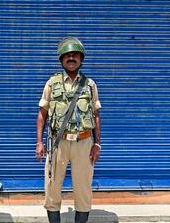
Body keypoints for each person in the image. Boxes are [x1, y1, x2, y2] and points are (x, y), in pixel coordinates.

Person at [35, 37, 102, 223]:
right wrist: (39, 143)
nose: (71, 58)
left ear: (81, 59)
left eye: (75, 55)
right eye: (67, 55)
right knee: (52, 186)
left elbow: (96, 115)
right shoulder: (51, 83)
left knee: (83, 188)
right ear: (61, 59)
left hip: (84, 142)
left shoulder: (90, 85)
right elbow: (42, 114)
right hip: (58, 142)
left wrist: (97, 143)